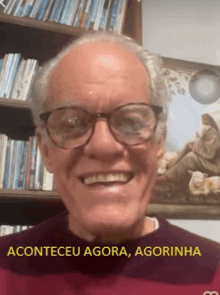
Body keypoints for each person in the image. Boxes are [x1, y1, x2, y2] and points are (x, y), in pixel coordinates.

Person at [0, 32, 219, 295]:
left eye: (130, 121)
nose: (104, 146)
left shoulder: (214, 272)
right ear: (46, 150)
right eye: (72, 123)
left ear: (159, 142)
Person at [157, 113, 220, 185]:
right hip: (210, 162)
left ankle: (167, 177)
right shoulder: (207, 132)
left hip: (215, 167)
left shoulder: (212, 134)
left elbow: (209, 154)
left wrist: (195, 145)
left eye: (203, 121)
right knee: (188, 146)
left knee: (191, 157)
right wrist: (192, 145)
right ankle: (169, 167)